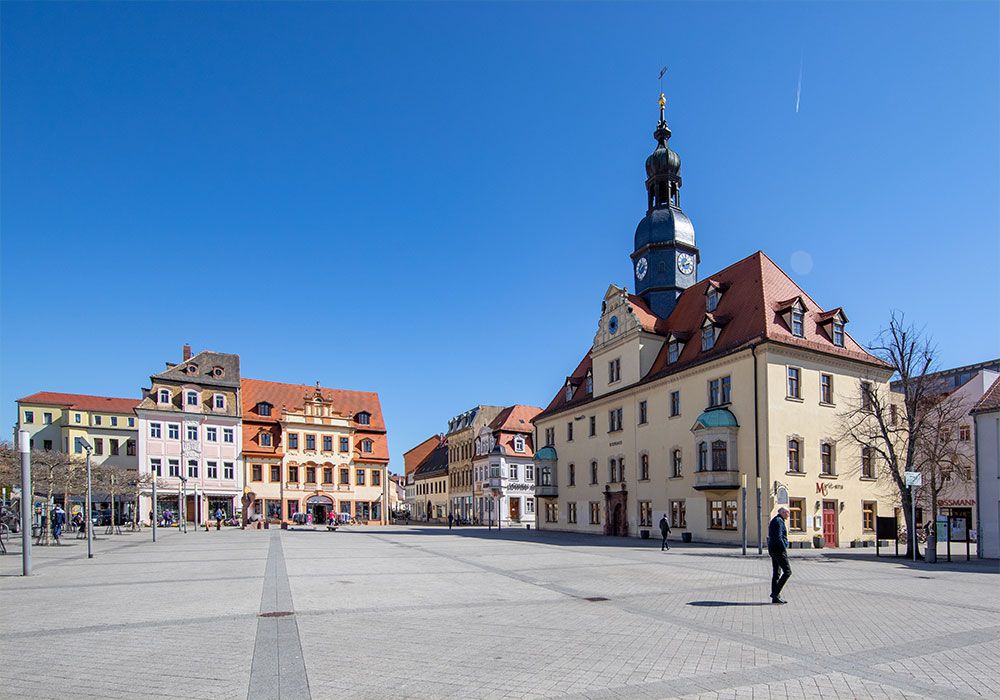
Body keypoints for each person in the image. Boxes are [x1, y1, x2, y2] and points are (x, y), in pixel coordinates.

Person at [768, 507, 791, 604]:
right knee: (787, 572)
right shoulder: (778, 521)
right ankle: (775, 593)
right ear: (783, 512)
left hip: (773, 549)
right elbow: (778, 537)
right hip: (778, 550)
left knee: (776, 573)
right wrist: (784, 547)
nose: (788, 515)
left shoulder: (776, 520)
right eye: (788, 513)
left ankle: (775, 597)